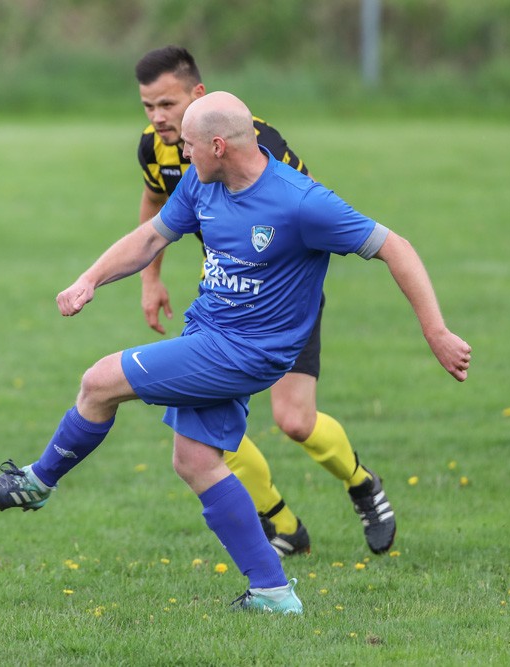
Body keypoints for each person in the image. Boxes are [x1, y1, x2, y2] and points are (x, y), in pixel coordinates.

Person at [0, 91, 472, 615]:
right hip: (207, 334)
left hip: (244, 352)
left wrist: (435, 331)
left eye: (189, 145)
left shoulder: (301, 202)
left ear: (218, 146)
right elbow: (150, 239)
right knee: (195, 461)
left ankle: (37, 481)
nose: (182, 154)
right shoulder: (202, 183)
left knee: (99, 382)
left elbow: (394, 246)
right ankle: (274, 593)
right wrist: (89, 279)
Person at [134, 46, 394, 557]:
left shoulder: (257, 143)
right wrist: (151, 278)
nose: (158, 118)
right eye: (148, 106)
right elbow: (155, 202)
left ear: (199, 96)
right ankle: (282, 524)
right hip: (223, 306)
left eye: (167, 104)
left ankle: (362, 484)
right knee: (201, 424)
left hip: (283, 303)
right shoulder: (156, 148)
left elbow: (307, 204)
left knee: (295, 421)